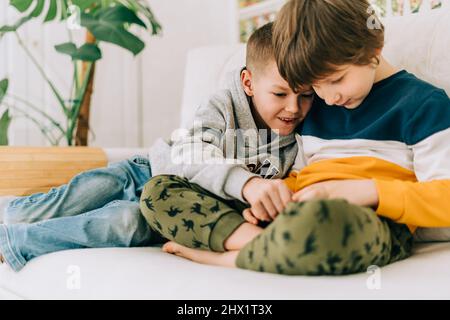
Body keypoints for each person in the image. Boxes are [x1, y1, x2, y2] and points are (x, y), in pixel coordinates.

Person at [141, 0, 450, 275]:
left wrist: (367, 191)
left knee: (322, 222)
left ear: (374, 51)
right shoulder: (316, 106)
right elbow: (302, 174)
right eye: (315, 87)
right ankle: (266, 243)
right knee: (160, 190)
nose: (328, 98)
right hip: (297, 215)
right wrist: (272, 198)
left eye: (335, 80)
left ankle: (227, 256)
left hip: (368, 222)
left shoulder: (424, 106)